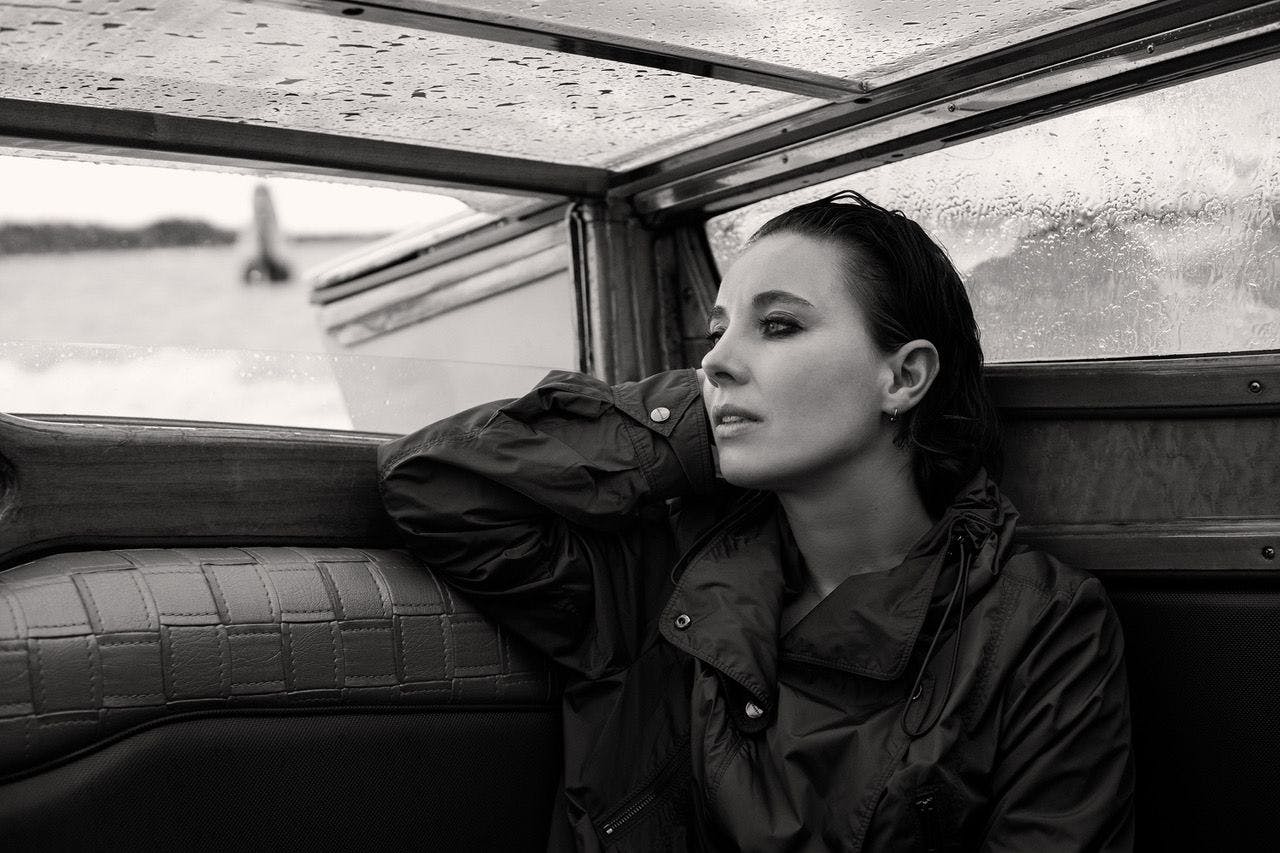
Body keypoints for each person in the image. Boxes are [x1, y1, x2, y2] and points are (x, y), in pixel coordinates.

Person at [378, 191, 1135, 852]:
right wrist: (689, 421)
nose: (714, 362)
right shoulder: (668, 573)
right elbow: (430, 483)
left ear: (904, 376)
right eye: (716, 332)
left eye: (776, 326)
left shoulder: (1037, 626)